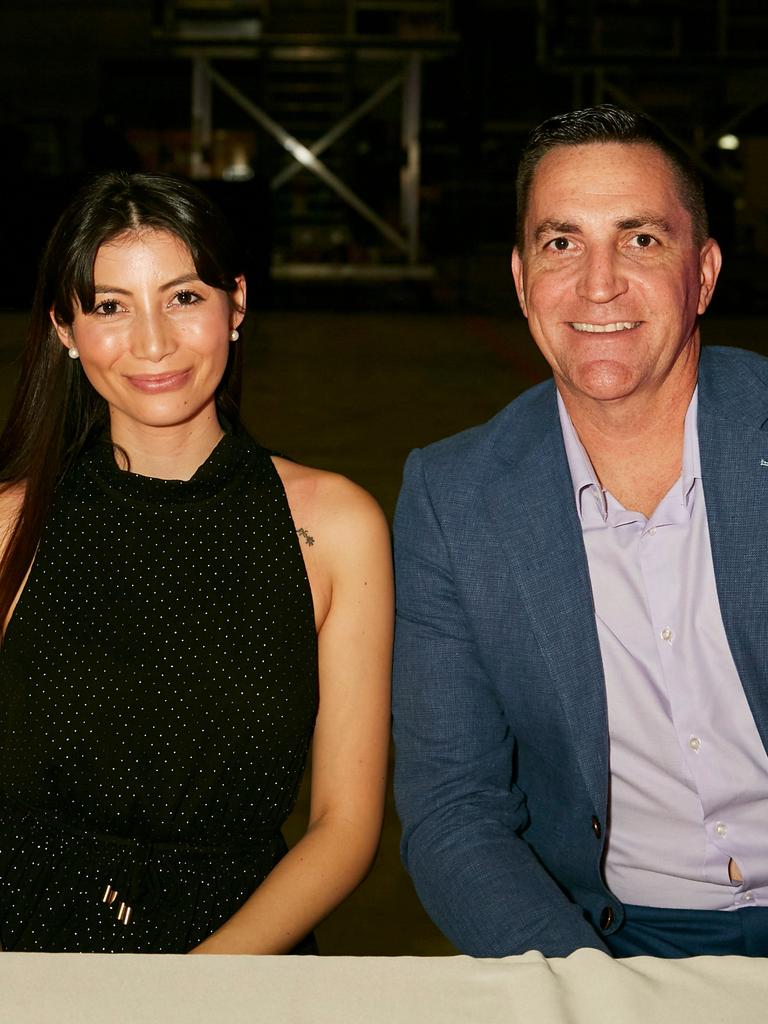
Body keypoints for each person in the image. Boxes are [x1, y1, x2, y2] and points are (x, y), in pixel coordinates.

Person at [392, 104, 768, 959]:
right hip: (612, 938)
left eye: (641, 240)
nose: (598, 284)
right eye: (563, 243)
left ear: (703, 274)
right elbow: (456, 811)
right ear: (522, 280)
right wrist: (587, 989)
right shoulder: (453, 499)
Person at [0, 172, 393, 954]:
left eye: (183, 297)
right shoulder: (11, 524)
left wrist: (196, 988)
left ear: (235, 305)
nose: (153, 342)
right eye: (111, 306)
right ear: (65, 328)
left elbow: (343, 827)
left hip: (238, 961)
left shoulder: (335, 526)